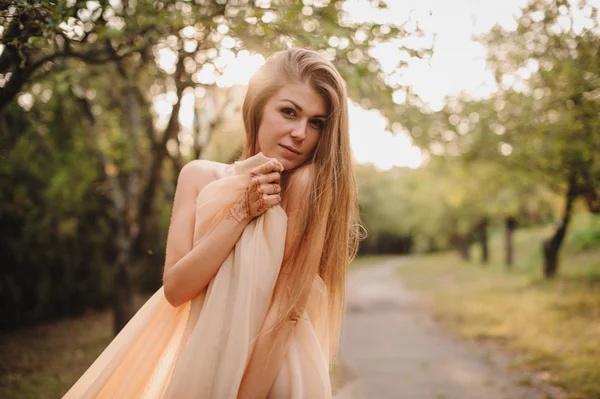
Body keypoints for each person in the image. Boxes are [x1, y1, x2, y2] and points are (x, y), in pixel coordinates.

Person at [63, 47, 360, 399]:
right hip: (204, 362)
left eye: (316, 123)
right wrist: (240, 213)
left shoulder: (305, 184)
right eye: (289, 112)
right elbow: (176, 289)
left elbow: (286, 313)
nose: (300, 132)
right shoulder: (198, 176)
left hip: (270, 375)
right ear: (257, 108)